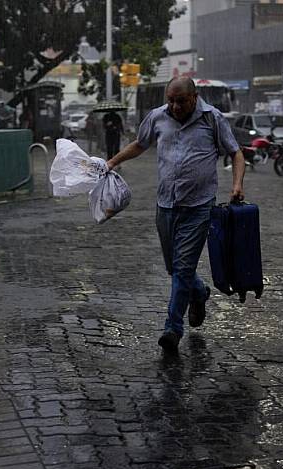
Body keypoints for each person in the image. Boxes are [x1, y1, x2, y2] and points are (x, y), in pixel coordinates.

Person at [105, 76, 245, 353]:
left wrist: (237, 185)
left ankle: (172, 329)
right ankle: (200, 292)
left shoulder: (211, 118)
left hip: (199, 207)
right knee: (175, 268)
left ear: (194, 97)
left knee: (182, 269)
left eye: (180, 101)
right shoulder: (157, 117)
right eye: (171, 100)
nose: (175, 106)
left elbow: (236, 153)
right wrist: (112, 162)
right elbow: (140, 144)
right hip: (166, 205)